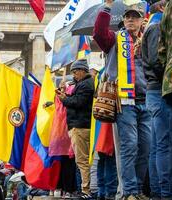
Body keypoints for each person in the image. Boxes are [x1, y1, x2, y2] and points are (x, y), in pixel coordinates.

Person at [93, 1, 151, 199]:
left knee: (146, 147)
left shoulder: (147, 40)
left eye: (135, 17)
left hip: (146, 101)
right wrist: (107, 7)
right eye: (127, 17)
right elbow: (99, 33)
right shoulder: (115, 39)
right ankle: (130, 192)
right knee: (130, 146)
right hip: (124, 102)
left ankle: (138, 188)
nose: (130, 20)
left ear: (143, 20)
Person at [141, 1, 169, 199]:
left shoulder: (152, 25)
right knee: (162, 144)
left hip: (154, 91)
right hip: (158, 90)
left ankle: (158, 191)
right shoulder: (157, 26)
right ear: (161, 7)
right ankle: (162, 192)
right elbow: (155, 61)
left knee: (158, 144)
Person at [57, 59, 95, 200]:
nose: (74, 75)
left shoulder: (86, 84)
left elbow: (78, 102)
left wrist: (63, 99)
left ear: (82, 70)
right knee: (82, 161)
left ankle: (86, 190)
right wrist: (65, 96)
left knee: (82, 161)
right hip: (79, 125)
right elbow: (75, 99)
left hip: (81, 127)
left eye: (75, 72)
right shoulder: (82, 83)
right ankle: (84, 189)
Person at [158, 0, 172, 198]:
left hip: (170, 83)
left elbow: (161, 48)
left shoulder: (170, 5)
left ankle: (170, 194)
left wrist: (170, 66)